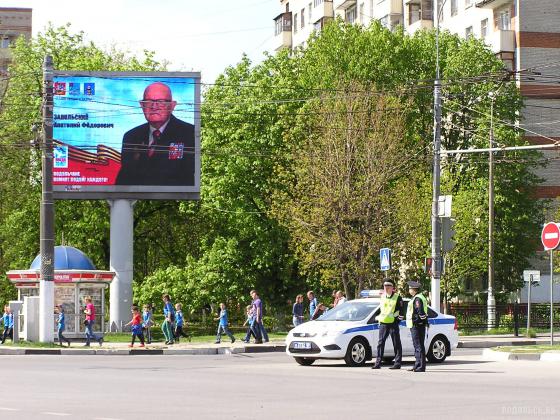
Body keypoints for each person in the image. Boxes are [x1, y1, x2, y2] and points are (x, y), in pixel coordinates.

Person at [115, 81, 195, 186]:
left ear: (172, 105)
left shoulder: (190, 133)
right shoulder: (131, 136)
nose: (154, 107)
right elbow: (124, 180)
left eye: (161, 102)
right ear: (142, 105)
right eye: (148, 101)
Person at [372, 280, 404, 370]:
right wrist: (377, 318)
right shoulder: (382, 297)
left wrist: (397, 321)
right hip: (383, 323)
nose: (386, 287)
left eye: (388, 286)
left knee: (396, 343)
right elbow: (381, 310)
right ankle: (377, 363)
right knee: (380, 343)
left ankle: (397, 363)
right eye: (385, 286)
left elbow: (402, 312)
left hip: (393, 323)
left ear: (392, 287)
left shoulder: (398, 297)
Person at [406, 281, 429, 372]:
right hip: (415, 324)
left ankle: (421, 366)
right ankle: (417, 364)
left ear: (414, 289)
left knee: (419, 346)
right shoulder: (416, 298)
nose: (409, 290)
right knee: (417, 346)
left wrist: (421, 321)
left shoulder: (417, 299)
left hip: (417, 324)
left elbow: (420, 312)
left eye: (410, 289)